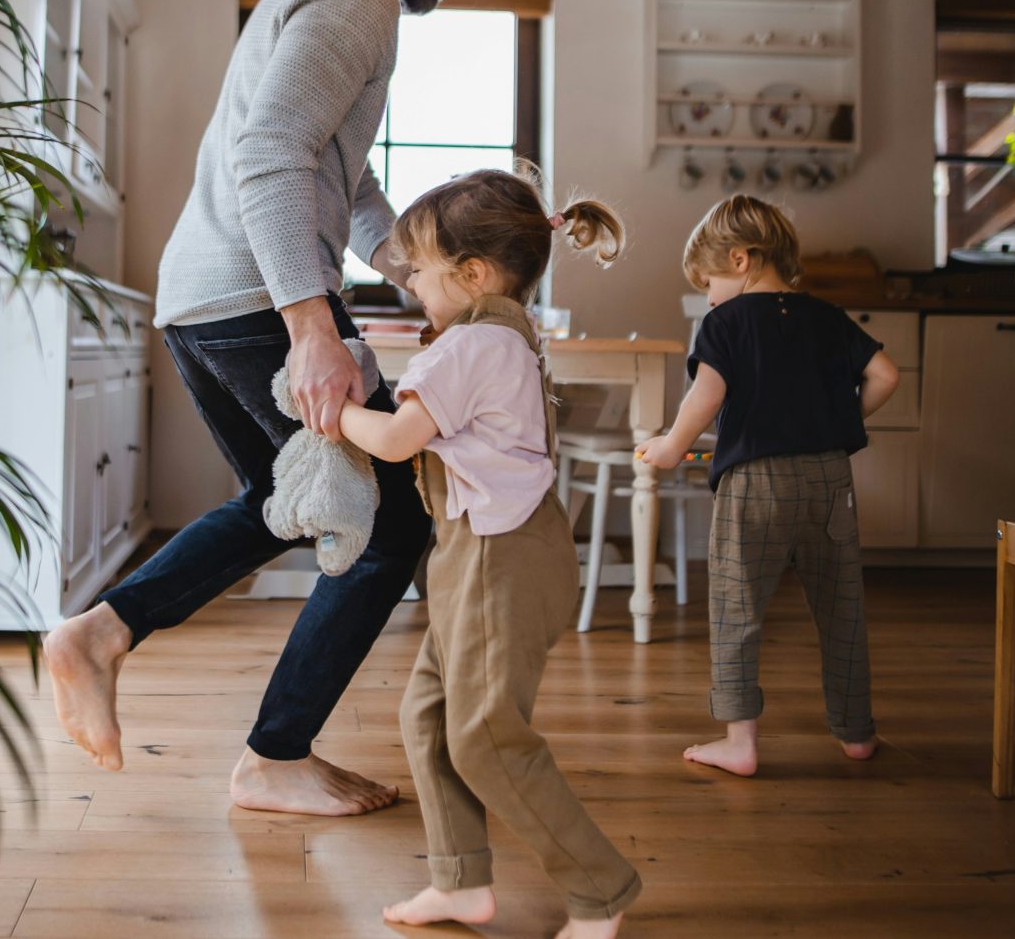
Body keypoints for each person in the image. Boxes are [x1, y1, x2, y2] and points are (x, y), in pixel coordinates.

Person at [41, 0, 530, 817]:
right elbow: (269, 158)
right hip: (253, 295)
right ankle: (273, 752)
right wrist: (312, 325)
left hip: (211, 293)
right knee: (391, 527)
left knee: (280, 496)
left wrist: (423, 272)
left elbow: (329, 176)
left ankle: (100, 633)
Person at [337, 167, 642, 939]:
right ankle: (461, 880)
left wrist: (334, 413)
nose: (410, 284)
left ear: (472, 275)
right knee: (430, 715)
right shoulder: (506, 334)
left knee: (483, 734)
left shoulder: (467, 345)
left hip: (496, 557)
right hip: (502, 545)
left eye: (420, 271)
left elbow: (398, 439)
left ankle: (600, 888)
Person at [637, 195, 898, 778]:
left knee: (738, 608)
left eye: (708, 281)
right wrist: (840, 421)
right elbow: (885, 375)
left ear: (739, 259)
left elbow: (705, 396)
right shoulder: (827, 316)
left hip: (756, 482)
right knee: (842, 609)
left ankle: (740, 742)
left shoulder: (725, 324)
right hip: (832, 480)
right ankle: (857, 734)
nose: (707, 297)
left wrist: (671, 446)